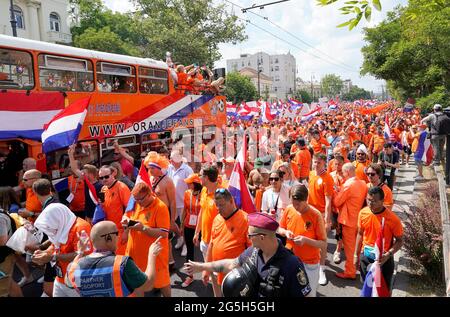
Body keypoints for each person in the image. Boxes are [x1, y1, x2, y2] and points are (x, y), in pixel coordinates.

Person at [183, 212, 312, 297]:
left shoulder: (292, 265)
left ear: (262, 237)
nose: (248, 238)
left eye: (250, 235)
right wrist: (202, 266)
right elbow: (231, 264)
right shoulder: (253, 252)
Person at [65, 221, 162, 297]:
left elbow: (68, 281)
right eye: (116, 233)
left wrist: (80, 252)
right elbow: (148, 285)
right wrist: (152, 255)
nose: (119, 236)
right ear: (108, 238)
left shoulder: (76, 266)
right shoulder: (123, 263)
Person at [31, 202, 92, 297]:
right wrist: (44, 253)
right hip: (60, 279)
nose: (50, 229)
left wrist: (52, 257)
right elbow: (55, 244)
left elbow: (83, 255)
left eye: (51, 225)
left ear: (59, 218)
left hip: (77, 282)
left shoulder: (81, 227)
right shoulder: (63, 224)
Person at [122, 182, 171, 297]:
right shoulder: (135, 202)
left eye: (140, 199)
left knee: (162, 282)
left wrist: (143, 228)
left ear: (149, 194)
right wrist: (125, 221)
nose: (138, 202)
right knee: (137, 283)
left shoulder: (160, 207)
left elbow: (163, 233)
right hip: (135, 255)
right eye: (135, 199)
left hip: (155, 257)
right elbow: (127, 215)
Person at [278, 185, 327, 296]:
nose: (295, 207)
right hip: (290, 260)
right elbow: (280, 228)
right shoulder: (289, 209)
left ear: (306, 200)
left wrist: (306, 240)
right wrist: (286, 232)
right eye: (293, 203)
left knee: (308, 294)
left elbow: (323, 244)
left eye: (298, 204)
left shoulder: (315, 215)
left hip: (309, 264)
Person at [354, 187, 403, 295]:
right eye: (368, 200)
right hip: (365, 257)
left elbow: (399, 241)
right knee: (367, 289)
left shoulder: (393, 219)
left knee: (382, 292)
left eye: (374, 201)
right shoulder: (363, 213)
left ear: (382, 201)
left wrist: (388, 254)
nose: (370, 203)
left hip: (384, 261)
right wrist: (356, 255)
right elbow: (360, 234)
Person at [205, 188, 251, 296]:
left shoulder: (245, 220)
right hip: (216, 270)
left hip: (235, 274)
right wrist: (206, 268)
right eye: (216, 205)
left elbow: (252, 251)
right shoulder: (217, 218)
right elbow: (211, 244)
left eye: (221, 205)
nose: (218, 208)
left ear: (231, 201)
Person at [333, 163, 367, 279]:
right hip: (358, 218)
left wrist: (336, 191)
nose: (342, 174)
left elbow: (337, 202)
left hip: (348, 220)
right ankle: (355, 266)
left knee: (349, 248)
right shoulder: (362, 183)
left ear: (347, 172)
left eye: (343, 172)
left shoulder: (348, 185)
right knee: (357, 245)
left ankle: (350, 272)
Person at [144, 151, 178, 268]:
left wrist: (172, 219)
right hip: (152, 213)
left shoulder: (167, 181)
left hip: (165, 213)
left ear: (159, 168)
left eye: (152, 168)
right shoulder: (150, 179)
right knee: (155, 238)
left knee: (166, 239)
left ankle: (170, 261)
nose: (150, 170)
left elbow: (173, 201)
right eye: (149, 168)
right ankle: (159, 261)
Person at [307, 153, 334, 286]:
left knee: (322, 242)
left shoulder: (327, 178)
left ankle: (322, 269)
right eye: (314, 162)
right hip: (310, 212)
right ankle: (313, 263)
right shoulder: (311, 174)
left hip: (321, 213)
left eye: (318, 162)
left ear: (324, 163)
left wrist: (327, 219)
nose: (316, 164)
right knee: (311, 239)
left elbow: (328, 201)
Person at [98, 165, 131, 255]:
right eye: (101, 178)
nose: (104, 179)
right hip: (109, 231)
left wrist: (126, 232)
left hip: (121, 230)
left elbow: (130, 210)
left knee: (121, 259)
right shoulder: (103, 189)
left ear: (113, 174)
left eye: (106, 176)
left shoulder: (122, 188)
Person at [167, 150, 193, 255]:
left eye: (172, 159)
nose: (170, 161)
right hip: (173, 203)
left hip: (184, 203)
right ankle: (180, 238)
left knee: (184, 225)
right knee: (174, 224)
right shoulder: (169, 168)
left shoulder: (187, 169)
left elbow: (192, 185)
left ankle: (186, 245)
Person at [180, 174, 203, 288]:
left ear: (195, 184)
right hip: (188, 225)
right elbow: (185, 209)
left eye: (189, 182)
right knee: (190, 250)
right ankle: (190, 276)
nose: (187, 184)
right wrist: (181, 225)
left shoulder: (204, 194)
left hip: (202, 227)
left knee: (206, 250)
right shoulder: (187, 193)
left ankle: (210, 272)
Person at [195, 165, 220, 261]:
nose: (198, 177)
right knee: (207, 271)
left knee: (215, 273)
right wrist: (197, 232)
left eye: (200, 175)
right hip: (204, 239)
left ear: (206, 178)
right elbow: (202, 210)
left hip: (216, 241)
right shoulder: (204, 190)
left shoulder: (221, 194)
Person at [0, 207, 23, 297]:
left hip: (3, 258)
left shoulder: (0, 218)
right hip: (4, 257)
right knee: (9, 284)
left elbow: (2, 241)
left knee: (2, 291)